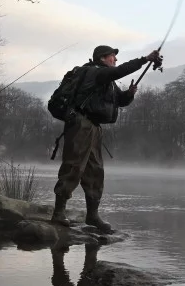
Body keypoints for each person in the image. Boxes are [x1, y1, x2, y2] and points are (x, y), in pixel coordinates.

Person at [51, 45, 162, 232]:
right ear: (103, 58)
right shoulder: (95, 73)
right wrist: (144, 59)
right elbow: (120, 71)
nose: (115, 60)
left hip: (94, 127)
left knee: (95, 171)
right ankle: (58, 213)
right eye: (113, 57)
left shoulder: (107, 81)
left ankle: (92, 216)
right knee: (73, 167)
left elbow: (120, 101)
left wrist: (129, 95)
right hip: (81, 124)